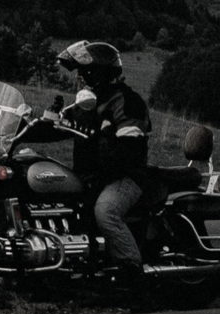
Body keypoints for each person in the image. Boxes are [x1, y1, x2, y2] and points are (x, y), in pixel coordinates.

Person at [57, 40, 151, 282]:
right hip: (91, 177)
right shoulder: (88, 101)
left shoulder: (128, 102)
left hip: (125, 178)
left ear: (97, 72)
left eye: (83, 71)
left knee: (105, 211)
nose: (79, 77)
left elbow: (128, 152)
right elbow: (61, 125)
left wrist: (102, 167)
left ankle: (134, 277)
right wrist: (28, 128)